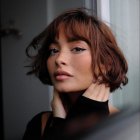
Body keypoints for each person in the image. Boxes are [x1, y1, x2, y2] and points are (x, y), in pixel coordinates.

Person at [23, 8, 128, 140]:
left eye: (77, 49)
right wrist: (60, 126)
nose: (59, 59)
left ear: (106, 63)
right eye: (53, 50)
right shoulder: (40, 124)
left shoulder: (126, 127)